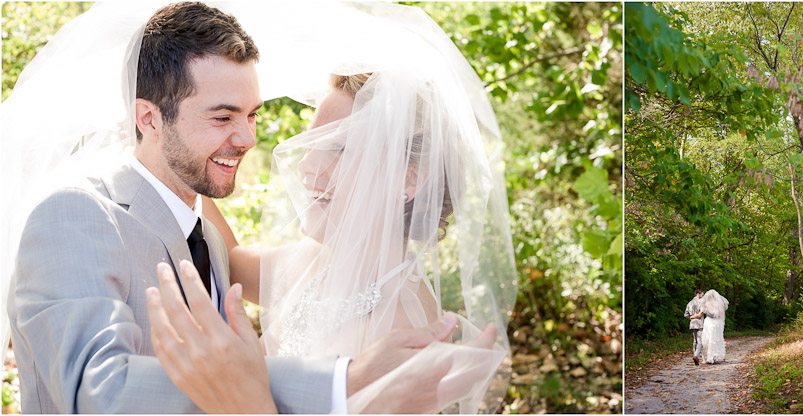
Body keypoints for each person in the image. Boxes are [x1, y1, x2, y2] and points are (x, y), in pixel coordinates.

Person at [3, 2, 489, 413]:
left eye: (252, 115)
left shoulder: (407, 324)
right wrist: (344, 384)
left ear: (410, 180)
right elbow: (98, 394)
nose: (251, 139)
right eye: (222, 117)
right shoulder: (76, 215)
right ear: (148, 118)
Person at [146, 2, 517, 413]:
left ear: (409, 179)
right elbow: (227, 259)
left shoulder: (404, 326)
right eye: (311, 142)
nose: (307, 166)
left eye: (337, 149)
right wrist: (182, 161)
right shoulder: (313, 262)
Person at [700, 289, 729, 364]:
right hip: (717, 322)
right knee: (716, 339)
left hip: (708, 322)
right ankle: (714, 356)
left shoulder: (706, 303)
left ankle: (707, 357)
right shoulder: (718, 303)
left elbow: (702, 312)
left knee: (708, 338)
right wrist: (721, 321)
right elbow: (722, 313)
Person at [684, 288, 705, 366]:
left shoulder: (690, 303)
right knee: (700, 341)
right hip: (699, 323)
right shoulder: (701, 302)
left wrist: (691, 318)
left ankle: (694, 355)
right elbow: (701, 313)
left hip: (692, 324)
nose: (703, 296)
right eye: (702, 295)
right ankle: (696, 355)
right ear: (698, 294)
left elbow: (685, 314)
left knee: (695, 341)